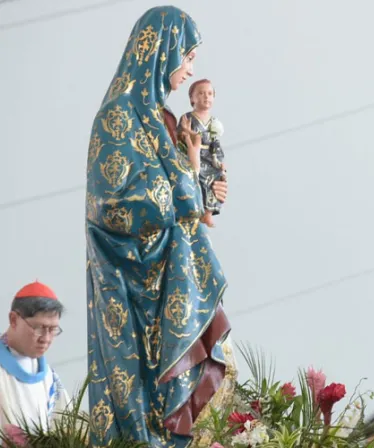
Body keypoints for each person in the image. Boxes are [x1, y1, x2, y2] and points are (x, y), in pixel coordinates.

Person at [85, 6, 233, 447]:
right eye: (186, 56)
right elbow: (114, 204)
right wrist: (185, 188)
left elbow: (185, 190)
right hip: (132, 285)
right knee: (140, 409)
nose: (190, 69)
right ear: (160, 50)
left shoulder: (160, 117)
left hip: (169, 278)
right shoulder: (117, 118)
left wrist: (203, 189)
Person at [0, 281, 69, 429]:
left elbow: (70, 429)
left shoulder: (50, 377)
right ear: (13, 320)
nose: (46, 338)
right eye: (39, 328)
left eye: (52, 330)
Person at [178, 78, 226, 228]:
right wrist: (190, 133)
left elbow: (215, 142)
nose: (206, 97)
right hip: (193, 154)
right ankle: (194, 208)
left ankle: (208, 213)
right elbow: (182, 134)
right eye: (201, 93)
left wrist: (218, 161)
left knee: (216, 178)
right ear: (192, 98)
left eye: (209, 93)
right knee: (198, 179)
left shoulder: (214, 122)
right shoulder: (188, 118)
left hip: (209, 156)